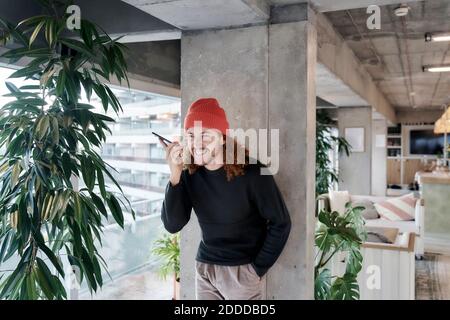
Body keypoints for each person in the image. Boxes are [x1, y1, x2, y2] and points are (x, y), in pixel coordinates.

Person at [160, 97, 291, 300]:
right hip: (205, 269)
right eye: (191, 135)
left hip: (242, 272)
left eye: (205, 135)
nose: (196, 143)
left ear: (222, 137)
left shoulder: (255, 173)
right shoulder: (188, 174)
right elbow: (173, 224)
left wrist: (256, 270)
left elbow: (280, 223)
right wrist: (175, 175)